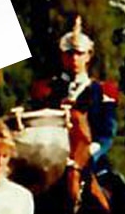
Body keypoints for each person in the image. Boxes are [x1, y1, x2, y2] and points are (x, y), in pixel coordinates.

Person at [31, 16, 120, 165]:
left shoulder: (104, 91)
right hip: (50, 158)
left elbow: (106, 133)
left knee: (118, 187)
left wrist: (90, 152)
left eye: (79, 54)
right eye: (69, 53)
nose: (74, 58)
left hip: (91, 158)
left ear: (88, 56)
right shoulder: (46, 89)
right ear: (62, 56)